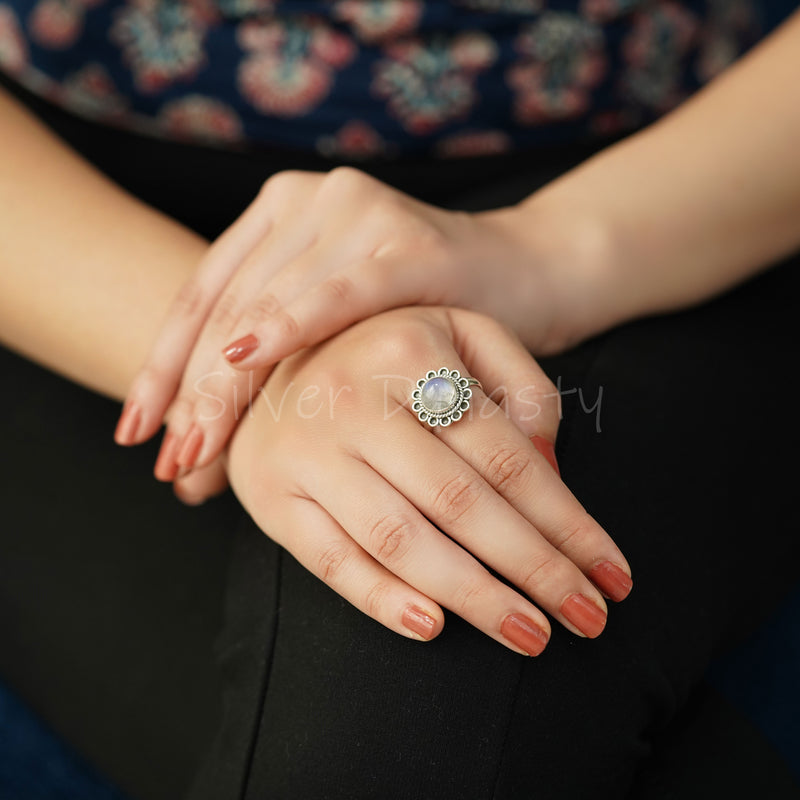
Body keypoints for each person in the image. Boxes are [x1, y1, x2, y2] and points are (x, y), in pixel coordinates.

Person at [0, 0, 799, 797]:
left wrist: (548, 250)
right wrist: (257, 362)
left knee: (464, 645)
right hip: (61, 229)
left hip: (676, 192)